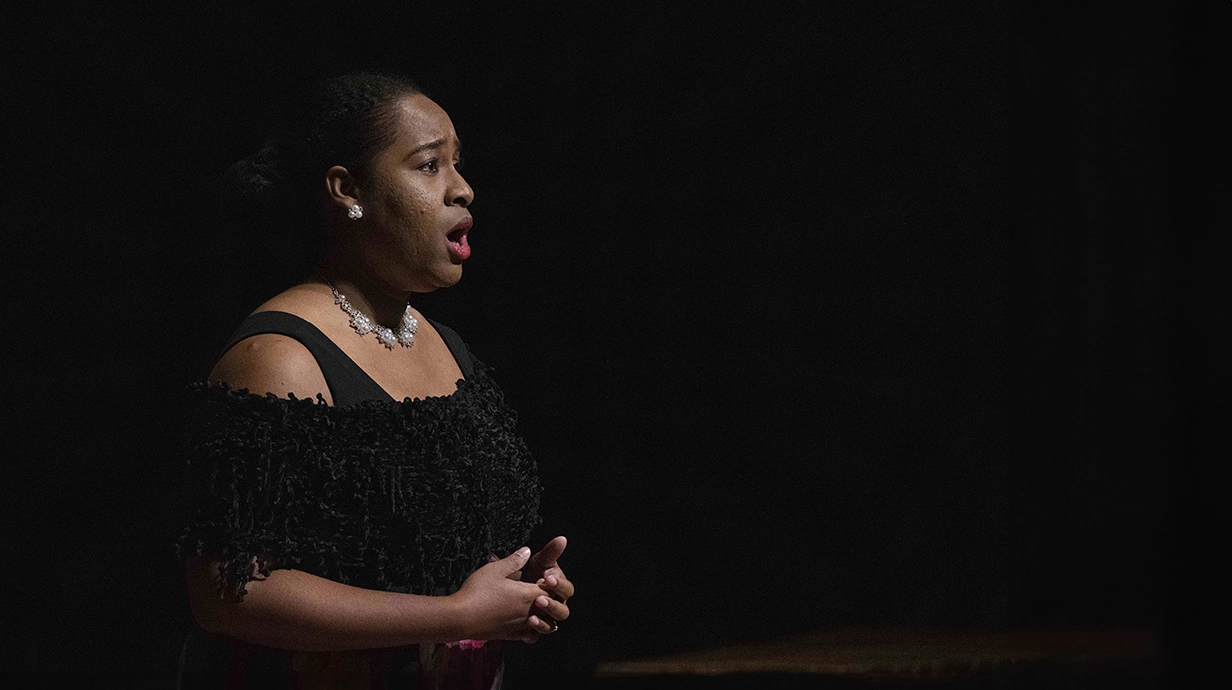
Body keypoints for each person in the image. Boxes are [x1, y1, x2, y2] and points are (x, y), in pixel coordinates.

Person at [174, 72, 573, 689]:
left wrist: (520, 590)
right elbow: (227, 593)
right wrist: (456, 614)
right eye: (429, 165)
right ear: (347, 189)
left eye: (458, 165)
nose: (462, 190)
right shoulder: (280, 357)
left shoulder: (447, 344)